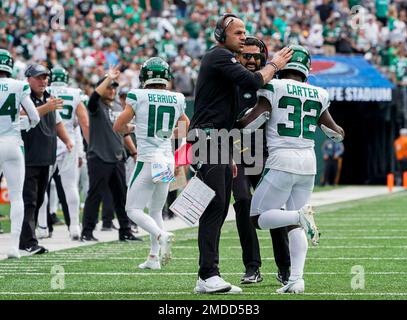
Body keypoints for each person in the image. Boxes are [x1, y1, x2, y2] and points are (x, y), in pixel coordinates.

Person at [188, 13, 293, 294]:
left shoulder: (225, 61)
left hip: (219, 140)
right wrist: (275, 64)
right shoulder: (219, 57)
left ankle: (208, 274)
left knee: (220, 208)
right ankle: (208, 274)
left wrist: (231, 155)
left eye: (245, 31)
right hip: (208, 137)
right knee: (215, 207)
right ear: (221, 36)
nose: (243, 36)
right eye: (238, 32)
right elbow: (255, 81)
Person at [245, 45, 344, 293]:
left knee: (258, 218)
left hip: (282, 159)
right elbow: (336, 133)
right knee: (294, 225)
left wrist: (236, 123)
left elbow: (252, 121)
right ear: (306, 68)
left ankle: (299, 216)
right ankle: (296, 280)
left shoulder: (274, 87)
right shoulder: (319, 93)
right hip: (308, 162)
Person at [114, 57, 190, 269]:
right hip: (166, 159)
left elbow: (118, 126)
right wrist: (167, 136)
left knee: (132, 210)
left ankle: (160, 234)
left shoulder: (137, 95)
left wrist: (134, 128)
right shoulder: (177, 98)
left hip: (147, 159)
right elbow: (186, 126)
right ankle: (154, 258)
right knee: (156, 210)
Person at [233, 36, 291, 285]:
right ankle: (252, 266)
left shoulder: (274, 85)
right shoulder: (229, 81)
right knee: (243, 203)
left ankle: (285, 267)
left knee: (273, 209)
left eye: (257, 56)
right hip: (237, 153)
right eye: (247, 55)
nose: (253, 61)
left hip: (266, 154)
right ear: (238, 56)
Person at [0, 49, 40, 258]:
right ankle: (13, 247)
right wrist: (20, 125)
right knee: (17, 196)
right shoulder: (18, 85)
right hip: (12, 143)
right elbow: (34, 117)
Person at [80, 66, 140, 242]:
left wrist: (134, 151)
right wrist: (108, 77)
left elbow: (123, 131)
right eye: (109, 87)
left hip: (117, 156)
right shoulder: (95, 105)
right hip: (99, 156)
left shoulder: (116, 105)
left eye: (114, 87)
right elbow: (94, 96)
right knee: (95, 195)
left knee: (122, 196)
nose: (112, 90)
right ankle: (87, 231)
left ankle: (125, 230)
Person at [20, 63, 74, 255]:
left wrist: (67, 140)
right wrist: (46, 107)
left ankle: (26, 238)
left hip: (46, 155)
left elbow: (57, 122)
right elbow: (20, 117)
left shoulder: (48, 97)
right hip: (28, 156)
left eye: (45, 77)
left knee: (39, 199)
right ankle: (28, 241)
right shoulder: (23, 96)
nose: (43, 81)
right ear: (29, 78)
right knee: (29, 200)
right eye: (39, 77)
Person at [37, 66, 90, 240]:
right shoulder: (75, 93)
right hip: (68, 142)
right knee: (71, 187)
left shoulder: (44, 90)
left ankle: (43, 226)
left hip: (48, 141)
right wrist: (84, 151)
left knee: (42, 187)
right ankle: (74, 226)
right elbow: (84, 123)